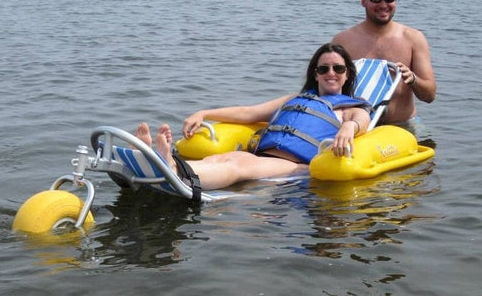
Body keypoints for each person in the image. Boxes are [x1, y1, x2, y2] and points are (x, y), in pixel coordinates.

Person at [135, 43, 372, 191]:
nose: (331, 73)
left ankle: (176, 173)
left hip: (295, 167)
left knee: (238, 166)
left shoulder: (350, 108)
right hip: (262, 155)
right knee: (219, 160)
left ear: (347, 74)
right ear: (316, 74)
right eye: (324, 69)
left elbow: (362, 120)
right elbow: (248, 112)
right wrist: (204, 113)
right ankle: (167, 163)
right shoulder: (295, 98)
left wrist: (348, 128)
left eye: (338, 69)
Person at [331, 0, 436, 130]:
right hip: (358, 128)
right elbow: (326, 89)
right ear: (363, 0)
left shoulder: (414, 38)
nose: (383, 4)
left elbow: (429, 95)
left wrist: (412, 78)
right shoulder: (342, 41)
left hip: (403, 126)